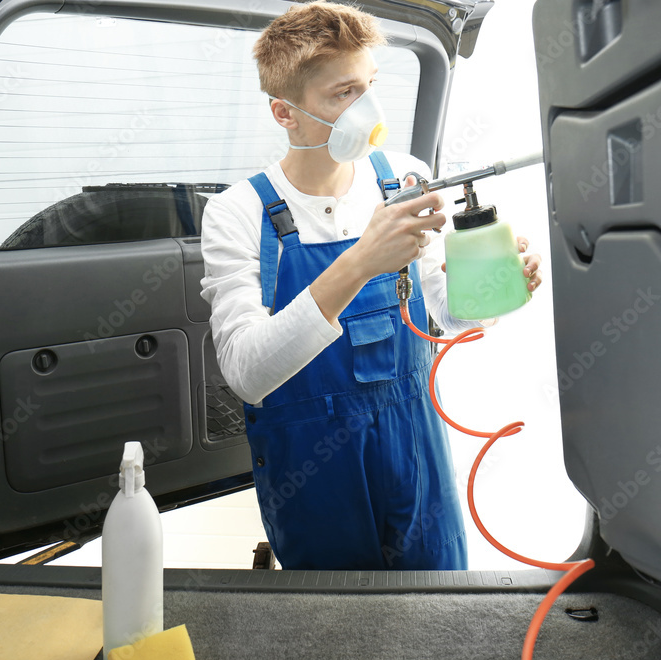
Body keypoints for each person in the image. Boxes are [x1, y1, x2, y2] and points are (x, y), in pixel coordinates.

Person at [199, 0, 542, 570]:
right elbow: (247, 372)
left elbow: (441, 311)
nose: (369, 111)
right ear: (285, 113)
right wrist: (361, 261)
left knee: (438, 614)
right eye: (343, 94)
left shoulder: (404, 178)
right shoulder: (237, 213)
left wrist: (490, 294)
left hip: (414, 446)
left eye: (370, 86)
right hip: (312, 467)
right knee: (338, 628)